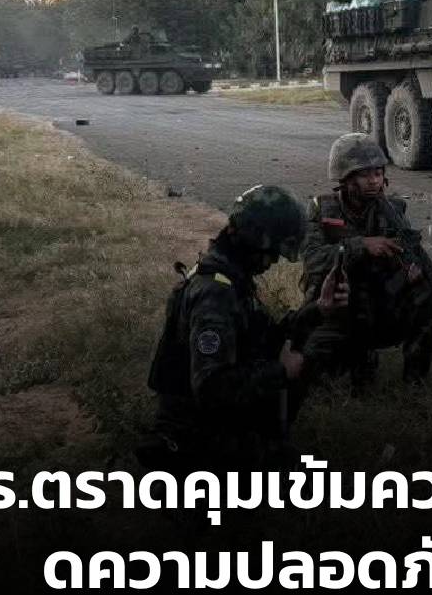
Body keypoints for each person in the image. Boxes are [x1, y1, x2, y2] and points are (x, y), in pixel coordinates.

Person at [143, 184, 346, 472]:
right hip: (195, 435)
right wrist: (281, 371)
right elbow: (212, 388)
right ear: (255, 242)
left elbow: (262, 337)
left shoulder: (229, 275)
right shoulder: (216, 294)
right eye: (271, 253)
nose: (272, 262)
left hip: (208, 422)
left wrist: (319, 309)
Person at [299, 133, 432, 391]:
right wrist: (361, 245)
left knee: (426, 294)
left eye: (378, 173)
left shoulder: (392, 210)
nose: (374, 180)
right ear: (345, 178)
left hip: (380, 301)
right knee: (324, 378)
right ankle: (352, 361)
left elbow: (405, 253)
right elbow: (313, 260)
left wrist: (410, 270)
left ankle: (415, 382)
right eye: (365, 174)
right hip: (338, 305)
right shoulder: (323, 209)